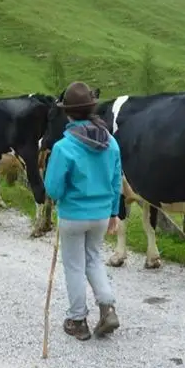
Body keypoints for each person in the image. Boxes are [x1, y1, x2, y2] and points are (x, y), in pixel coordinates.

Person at [43, 81, 122, 341]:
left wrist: (62, 195)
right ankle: (107, 306)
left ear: (68, 113)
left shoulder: (63, 147)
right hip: (101, 215)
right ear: (91, 109)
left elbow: (53, 189)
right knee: (94, 259)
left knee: (75, 266)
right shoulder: (110, 142)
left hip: (73, 216)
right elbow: (115, 181)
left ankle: (78, 320)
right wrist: (113, 213)